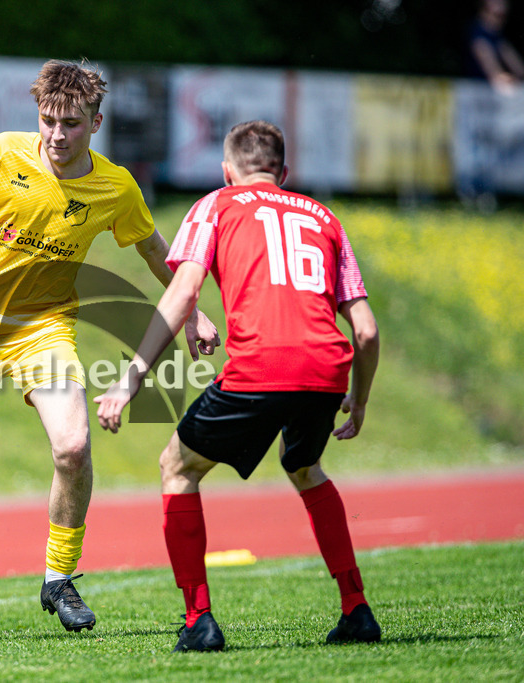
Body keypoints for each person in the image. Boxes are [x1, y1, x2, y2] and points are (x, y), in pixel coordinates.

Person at [0, 59, 219, 643]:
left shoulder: (115, 187)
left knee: (74, 446)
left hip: (43, 328)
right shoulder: (2, 153)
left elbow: (154, 249)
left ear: (96, 123)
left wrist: (194, 309)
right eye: (48, 121)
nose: (57, 135)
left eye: (71, 124)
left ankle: (59, 578)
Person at [95, 120, 382, 652]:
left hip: (261, 366)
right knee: (304, 467)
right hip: (326, 369)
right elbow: (364, 330)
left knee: (177, 467)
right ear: (283, 172)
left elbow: (183, 293)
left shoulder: (216, 205)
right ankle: (356, 608)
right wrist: (359, 401)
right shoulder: (325, 218)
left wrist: (130, 378)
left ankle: (198, 621)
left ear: (227, 171)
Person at [466, 0, 524, 95]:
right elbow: (493, 72)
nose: (501, 20)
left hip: (488, 92)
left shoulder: (497, 36)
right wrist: (504, 79)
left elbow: (515, 63)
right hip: (475, 92)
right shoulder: (478, 35)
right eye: (497, 15)